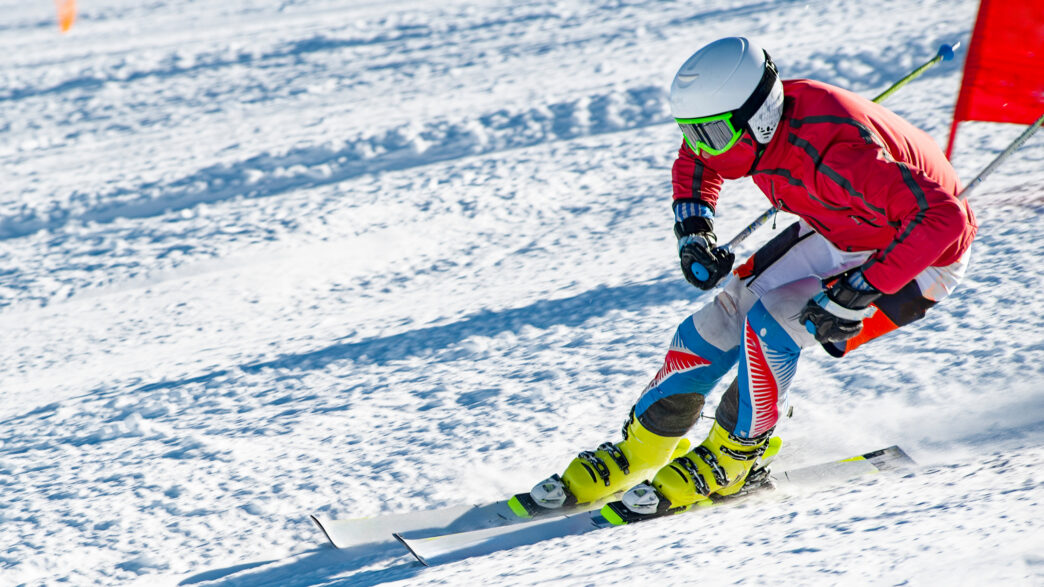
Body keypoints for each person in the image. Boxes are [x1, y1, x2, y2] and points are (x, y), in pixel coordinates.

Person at [526, 37, 976, 515]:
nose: (704, 148)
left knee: (774, 322)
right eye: (692, 132)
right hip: (841, 227)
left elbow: (946, 219)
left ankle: (737, 454)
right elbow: (696, 157)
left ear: (761, 117)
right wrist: (694, 231)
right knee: (717, 322)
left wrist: (859, 291)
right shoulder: (744, 126)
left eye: (714, 136)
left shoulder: (837, 154)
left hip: (920, 257)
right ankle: (646, 446)